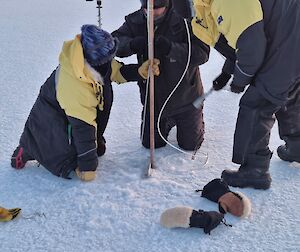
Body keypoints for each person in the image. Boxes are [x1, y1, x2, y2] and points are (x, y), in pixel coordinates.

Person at [11, 25, 160, 181]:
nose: (109, 63)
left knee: (92, 146)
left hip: (71, 115)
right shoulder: (74, 84)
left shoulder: (94, 61)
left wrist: (139, 72)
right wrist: (87, 167)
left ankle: (69, 149)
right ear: (94, 62)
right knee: (60, 155)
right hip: (53, 120)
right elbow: (83, 127)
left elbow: (114, 71)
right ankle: (27, 149)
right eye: (106, 61)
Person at [191, 0, 300, 189]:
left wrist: (241, 80)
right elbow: (243, 35)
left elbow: (252, 48)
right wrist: (228, 71)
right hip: (291, 38)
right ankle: (297, 147)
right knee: (289, 93)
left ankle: (255, 171)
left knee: (256, 104)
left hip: (285, 46)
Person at [112, 0, 209, 151]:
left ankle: (195, 119)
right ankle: (167, 120)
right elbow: (114, 42)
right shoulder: (135, 20)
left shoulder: (185, 19)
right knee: (150, 144)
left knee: (190, 145)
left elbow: (202, 53)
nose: (151, 12)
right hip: (154, 99)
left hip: (186, 97)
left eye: (156, 8)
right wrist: (133, 44)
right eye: (146, 8)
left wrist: (171, 48)